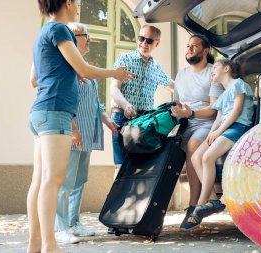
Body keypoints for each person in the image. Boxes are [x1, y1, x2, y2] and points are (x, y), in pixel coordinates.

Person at [27, 1, 134, 252]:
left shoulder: (42, 33)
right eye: (76, 2)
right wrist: (113, 73)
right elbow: (84, 69)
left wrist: (62, 71)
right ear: (67, 3)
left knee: (39, 181)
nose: (77, 6)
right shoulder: (61, 30)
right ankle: (50, 245)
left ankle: (35, 245)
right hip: (55, 112)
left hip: (40, 112)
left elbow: (33, 80)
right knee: (53, 181)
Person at [53, 22, 118, 244]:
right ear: (71, 38)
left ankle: (73, 222)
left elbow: (96, 103)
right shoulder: (67, 67)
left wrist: (107, 120)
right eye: (84, 35)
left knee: (79, 180)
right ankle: (60, 227)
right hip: (73, 133)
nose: (88, 39)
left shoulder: (87, 68)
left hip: (88, 133)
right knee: (66, 181)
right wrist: (73, 129)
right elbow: (64, 100)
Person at [183, 59, 255, 230]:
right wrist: (211, 135)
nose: (212, 70)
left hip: (238, 126)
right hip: (224, 128)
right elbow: (218, 118)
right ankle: (214, 200)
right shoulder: (222, 96)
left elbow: (237, 111)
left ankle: (202, 204)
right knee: (196, 157)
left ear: (227, 68)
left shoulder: (239, 84)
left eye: (214, 67)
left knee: (207, 158)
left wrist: (219, 131)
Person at [169, 34, 223, 229]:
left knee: (193, 144)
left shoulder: (212, 73)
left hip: (207, 123)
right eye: (188, 45)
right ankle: (203, 203)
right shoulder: (182, 74)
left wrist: (191, 113)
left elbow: (215, 109)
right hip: (185, 124)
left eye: (194, 46)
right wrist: (176, 113)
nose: (189, 49)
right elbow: (176, 102)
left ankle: (194, 206)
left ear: (205, 51)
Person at [111, 25, 173, 179]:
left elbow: (175, 87)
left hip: (144, 123)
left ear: (157, 43)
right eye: (141, 38)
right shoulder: (125, 59)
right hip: (122, 118)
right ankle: (115, 203)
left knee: (140, 169)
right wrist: (125, 105)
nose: (144, 43)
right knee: (120, 168)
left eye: (149, 41)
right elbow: (113, 88)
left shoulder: (156, 67)